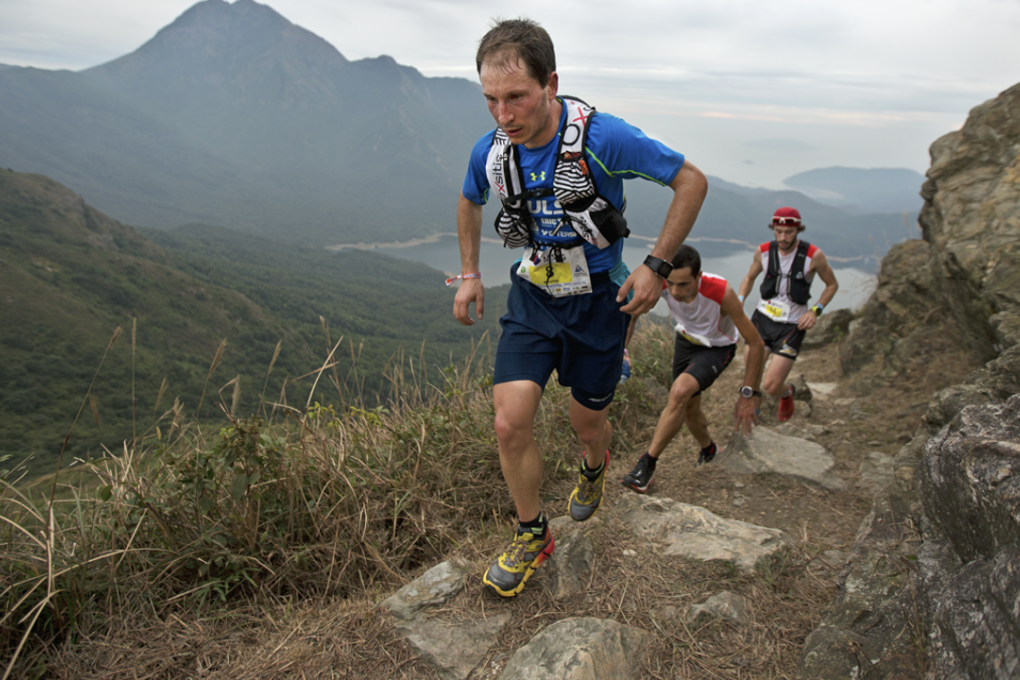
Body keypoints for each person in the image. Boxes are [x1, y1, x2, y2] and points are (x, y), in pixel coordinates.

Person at [452, 18, 708, 598]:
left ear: (551, 84)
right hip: (534, 295)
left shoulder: (602, 137)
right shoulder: (492, 151)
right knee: (508, 420)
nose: (502, 115)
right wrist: (470, 274)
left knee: (584, 423)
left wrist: (656, 265)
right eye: (490, 100)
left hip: (599, 301)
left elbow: (690, 180)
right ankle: (531, 533)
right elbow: (469, 200)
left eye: (516, 97)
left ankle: (594, 465)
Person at [621, 245, 765, 493]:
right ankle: (709, 450)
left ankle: (646, 465)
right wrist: (621, 353)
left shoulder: (722, 292)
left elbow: (756, 342)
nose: (675, 292)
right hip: (686, 340)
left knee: (679, 391)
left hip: (717, 347)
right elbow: (632, 315)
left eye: (684, 285)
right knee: (688, 407)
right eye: (671, 284)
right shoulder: (663, 283)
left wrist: (748, 393)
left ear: (699, 277)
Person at [736, 207, 839, 421]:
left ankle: (787, 393)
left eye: (789, 232)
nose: (783, 237)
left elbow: (831, 285)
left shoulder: (813, 256)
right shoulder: (763, 251)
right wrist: (740, 301)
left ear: (798, 230)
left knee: (771, 385)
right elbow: (749, 278)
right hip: (762, 319)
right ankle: (753, 415)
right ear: (773, 229)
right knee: (751, 373)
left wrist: (815, 310)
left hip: (792, 325)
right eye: (778, 231)